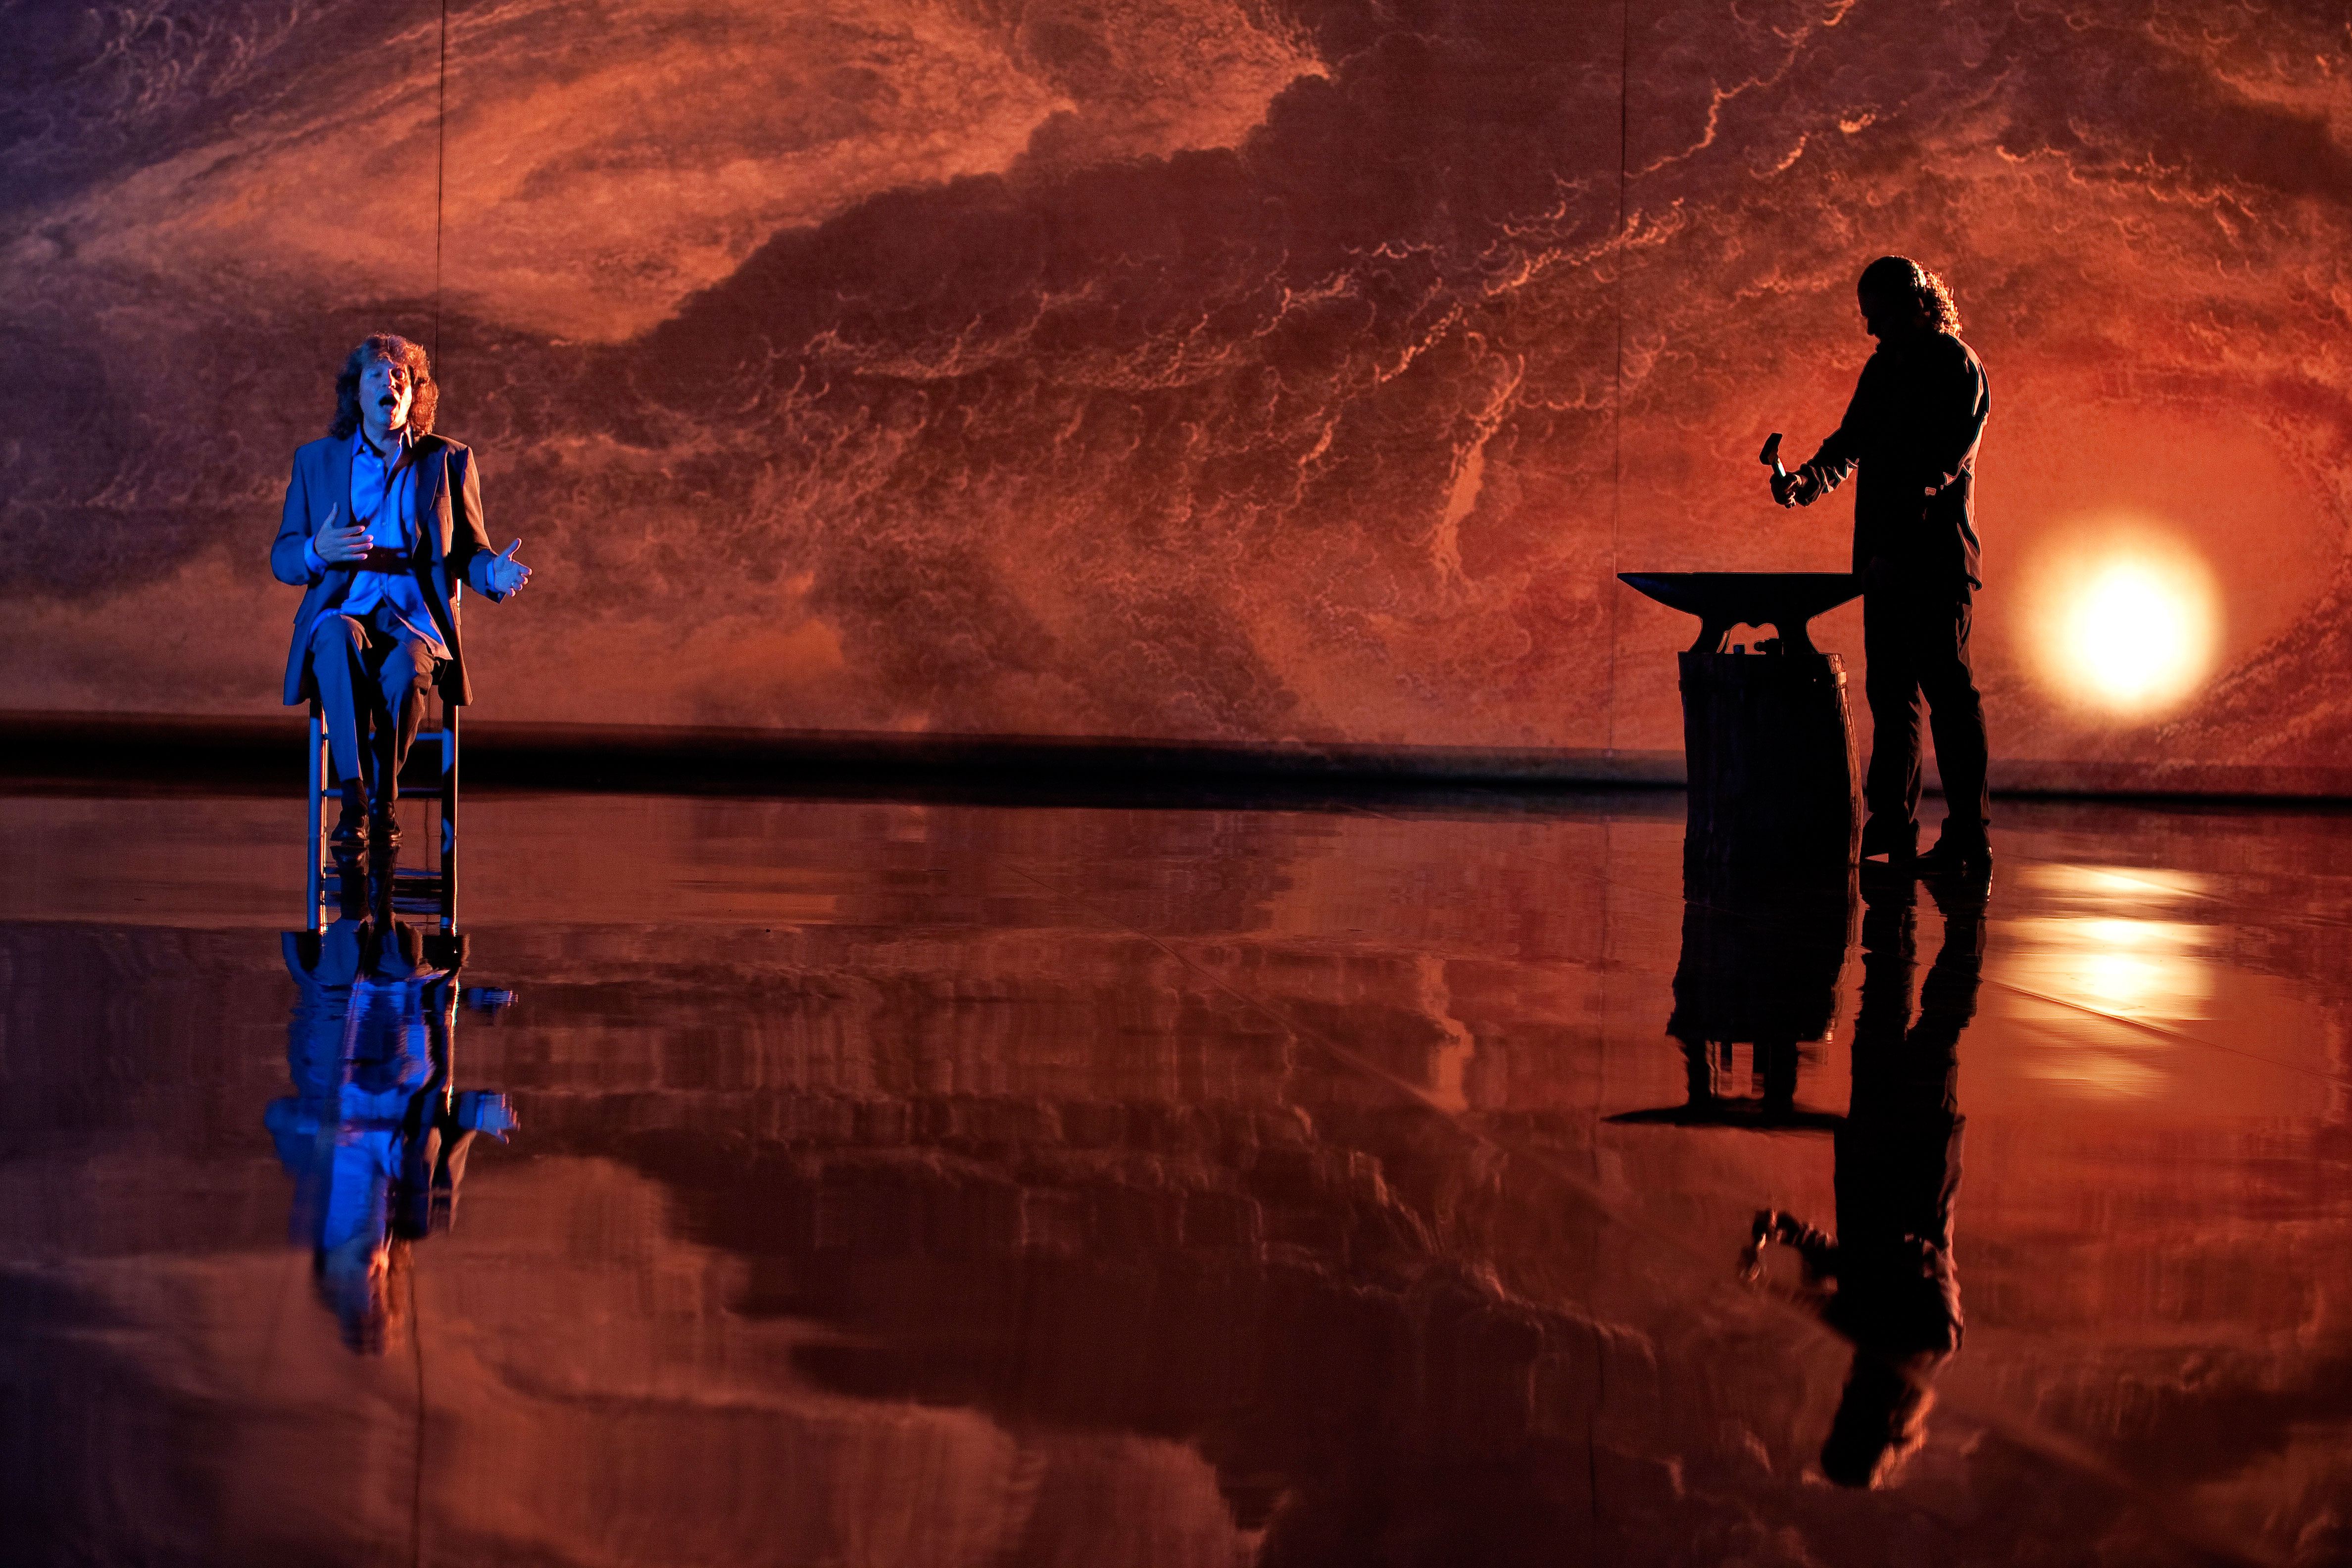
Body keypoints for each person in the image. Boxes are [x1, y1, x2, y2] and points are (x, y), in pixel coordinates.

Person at [270, 333, 532, 849]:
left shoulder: (449, 460)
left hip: (414, 613)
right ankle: (355, 800)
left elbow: (469, 551)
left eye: (401, 377)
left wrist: (491, 576)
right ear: (357, 391)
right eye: (377, 374)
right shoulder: (317, 460)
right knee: (336, 640)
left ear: (415, 395)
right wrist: (317, 550)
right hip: (345, 605)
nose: (390, 383)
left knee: (407, 670)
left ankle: (382, 800)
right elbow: (284, 556)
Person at [1774, 256, 1991, 876]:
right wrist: (1804, 483)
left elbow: (1938, 469)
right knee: (1894, 698)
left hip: (1931, 562)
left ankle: (1967, 837)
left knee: (1945, 695)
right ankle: (1895, 823)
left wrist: (1892, 551)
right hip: (1888, 564)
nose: (1870, 329)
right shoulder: (1887, 366)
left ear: (1915, 305)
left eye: (1877, 315)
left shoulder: (1955, 365)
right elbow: (1850, 446)